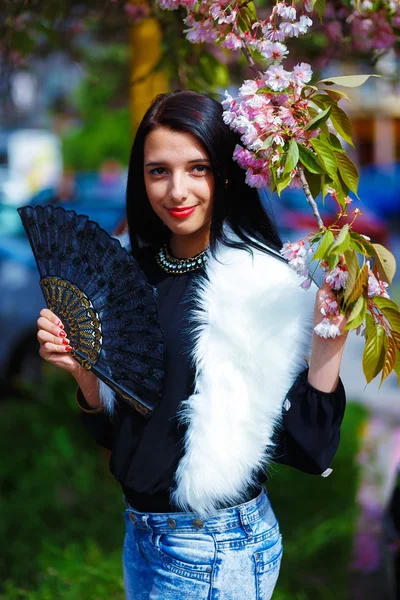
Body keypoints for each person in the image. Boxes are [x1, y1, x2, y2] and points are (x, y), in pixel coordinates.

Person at [36, 90, 348, 600]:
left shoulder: (258, 284)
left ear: (225, 174)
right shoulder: (127, 275)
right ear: (141, 178)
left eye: (197, 168)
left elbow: (311, 450)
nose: (177, 190)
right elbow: (122, 436)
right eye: (158, 171)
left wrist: (328, 334)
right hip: (142, 536)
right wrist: (83, 373)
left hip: (216, 546)